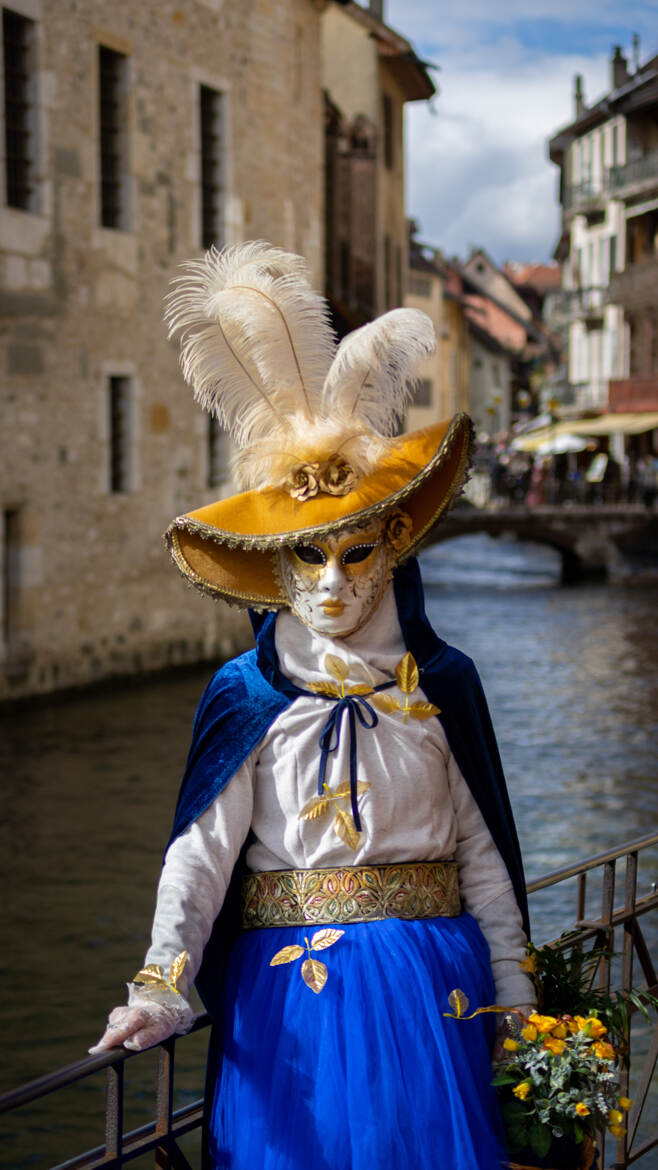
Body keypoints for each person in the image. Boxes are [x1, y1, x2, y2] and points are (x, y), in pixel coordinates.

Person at [91, 242, 535, 1170]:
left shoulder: (440, 684)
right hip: (297, 1004)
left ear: (392, 547)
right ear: (277, 569)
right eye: (307, 557)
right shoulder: (246, 694)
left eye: (356, 553)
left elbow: (482, 853)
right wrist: (160, 986)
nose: (332, 581)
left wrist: (518, 996)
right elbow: (202, 852)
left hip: (436, 993)